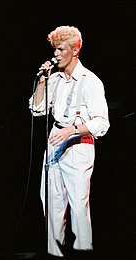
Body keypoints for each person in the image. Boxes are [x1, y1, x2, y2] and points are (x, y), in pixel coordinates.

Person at [29, 25, 110, 258]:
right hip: (55, 144)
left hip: (78, 145)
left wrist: (71, 130)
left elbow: (101, 123)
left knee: (78, 207)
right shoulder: (53, 79)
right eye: (54, 49)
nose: (55, 54)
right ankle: (54, 253)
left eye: (60, 49)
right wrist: (42, 82)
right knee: (52, 206)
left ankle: (83, 252)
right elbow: (36, 110)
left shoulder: (90, 81)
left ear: (74, 51)